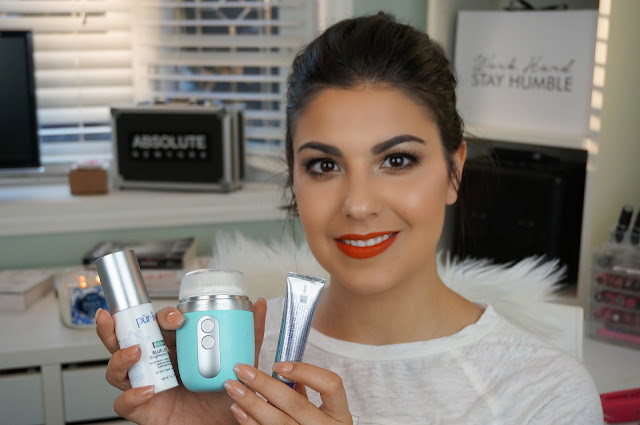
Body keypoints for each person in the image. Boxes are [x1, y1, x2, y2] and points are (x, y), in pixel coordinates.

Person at [95, 13, 603, 424]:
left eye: (397, 160)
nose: (358, 204)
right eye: (324, 165)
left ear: (454, 171)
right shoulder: (231, 358)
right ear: (294, 180)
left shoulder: (545, 395)